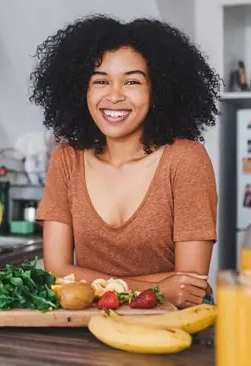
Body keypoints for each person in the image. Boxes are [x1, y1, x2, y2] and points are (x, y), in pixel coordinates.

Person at [30, 15, 221, 309]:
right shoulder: (68, 159)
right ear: (83, 91)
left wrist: (90, 281)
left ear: (157, 90)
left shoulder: (186, 160)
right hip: (93, 326)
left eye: (132, 81)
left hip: (172, 327)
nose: (114, 96)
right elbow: (56, 270)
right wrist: (158, 286)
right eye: (101, 81)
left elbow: (189, 286)